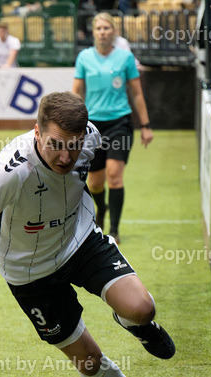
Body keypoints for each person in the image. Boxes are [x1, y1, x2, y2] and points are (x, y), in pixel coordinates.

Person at [0, 91, 175, 377]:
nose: (66, 156)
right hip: (29, 273)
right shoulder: (10, 173)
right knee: (89, 360)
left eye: (74, 145)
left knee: (142, 308)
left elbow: (88, 168)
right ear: (37, 132)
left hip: (79, 242)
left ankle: (138, 326)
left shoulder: (90, 137)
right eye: (55, 144)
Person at [72, 12, 153, 243]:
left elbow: (137, 93)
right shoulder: (84, 57)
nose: (103, 32)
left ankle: (114, 230)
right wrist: (71, 123)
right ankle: (101, 210)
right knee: (95, 183)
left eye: (107, 28)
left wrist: (145, 125)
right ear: (93, 32)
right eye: (98, 28)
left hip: (120, 122)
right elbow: (76, 92)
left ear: (114, 31)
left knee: (114, 176)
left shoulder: (125, 58)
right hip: (93, 126)